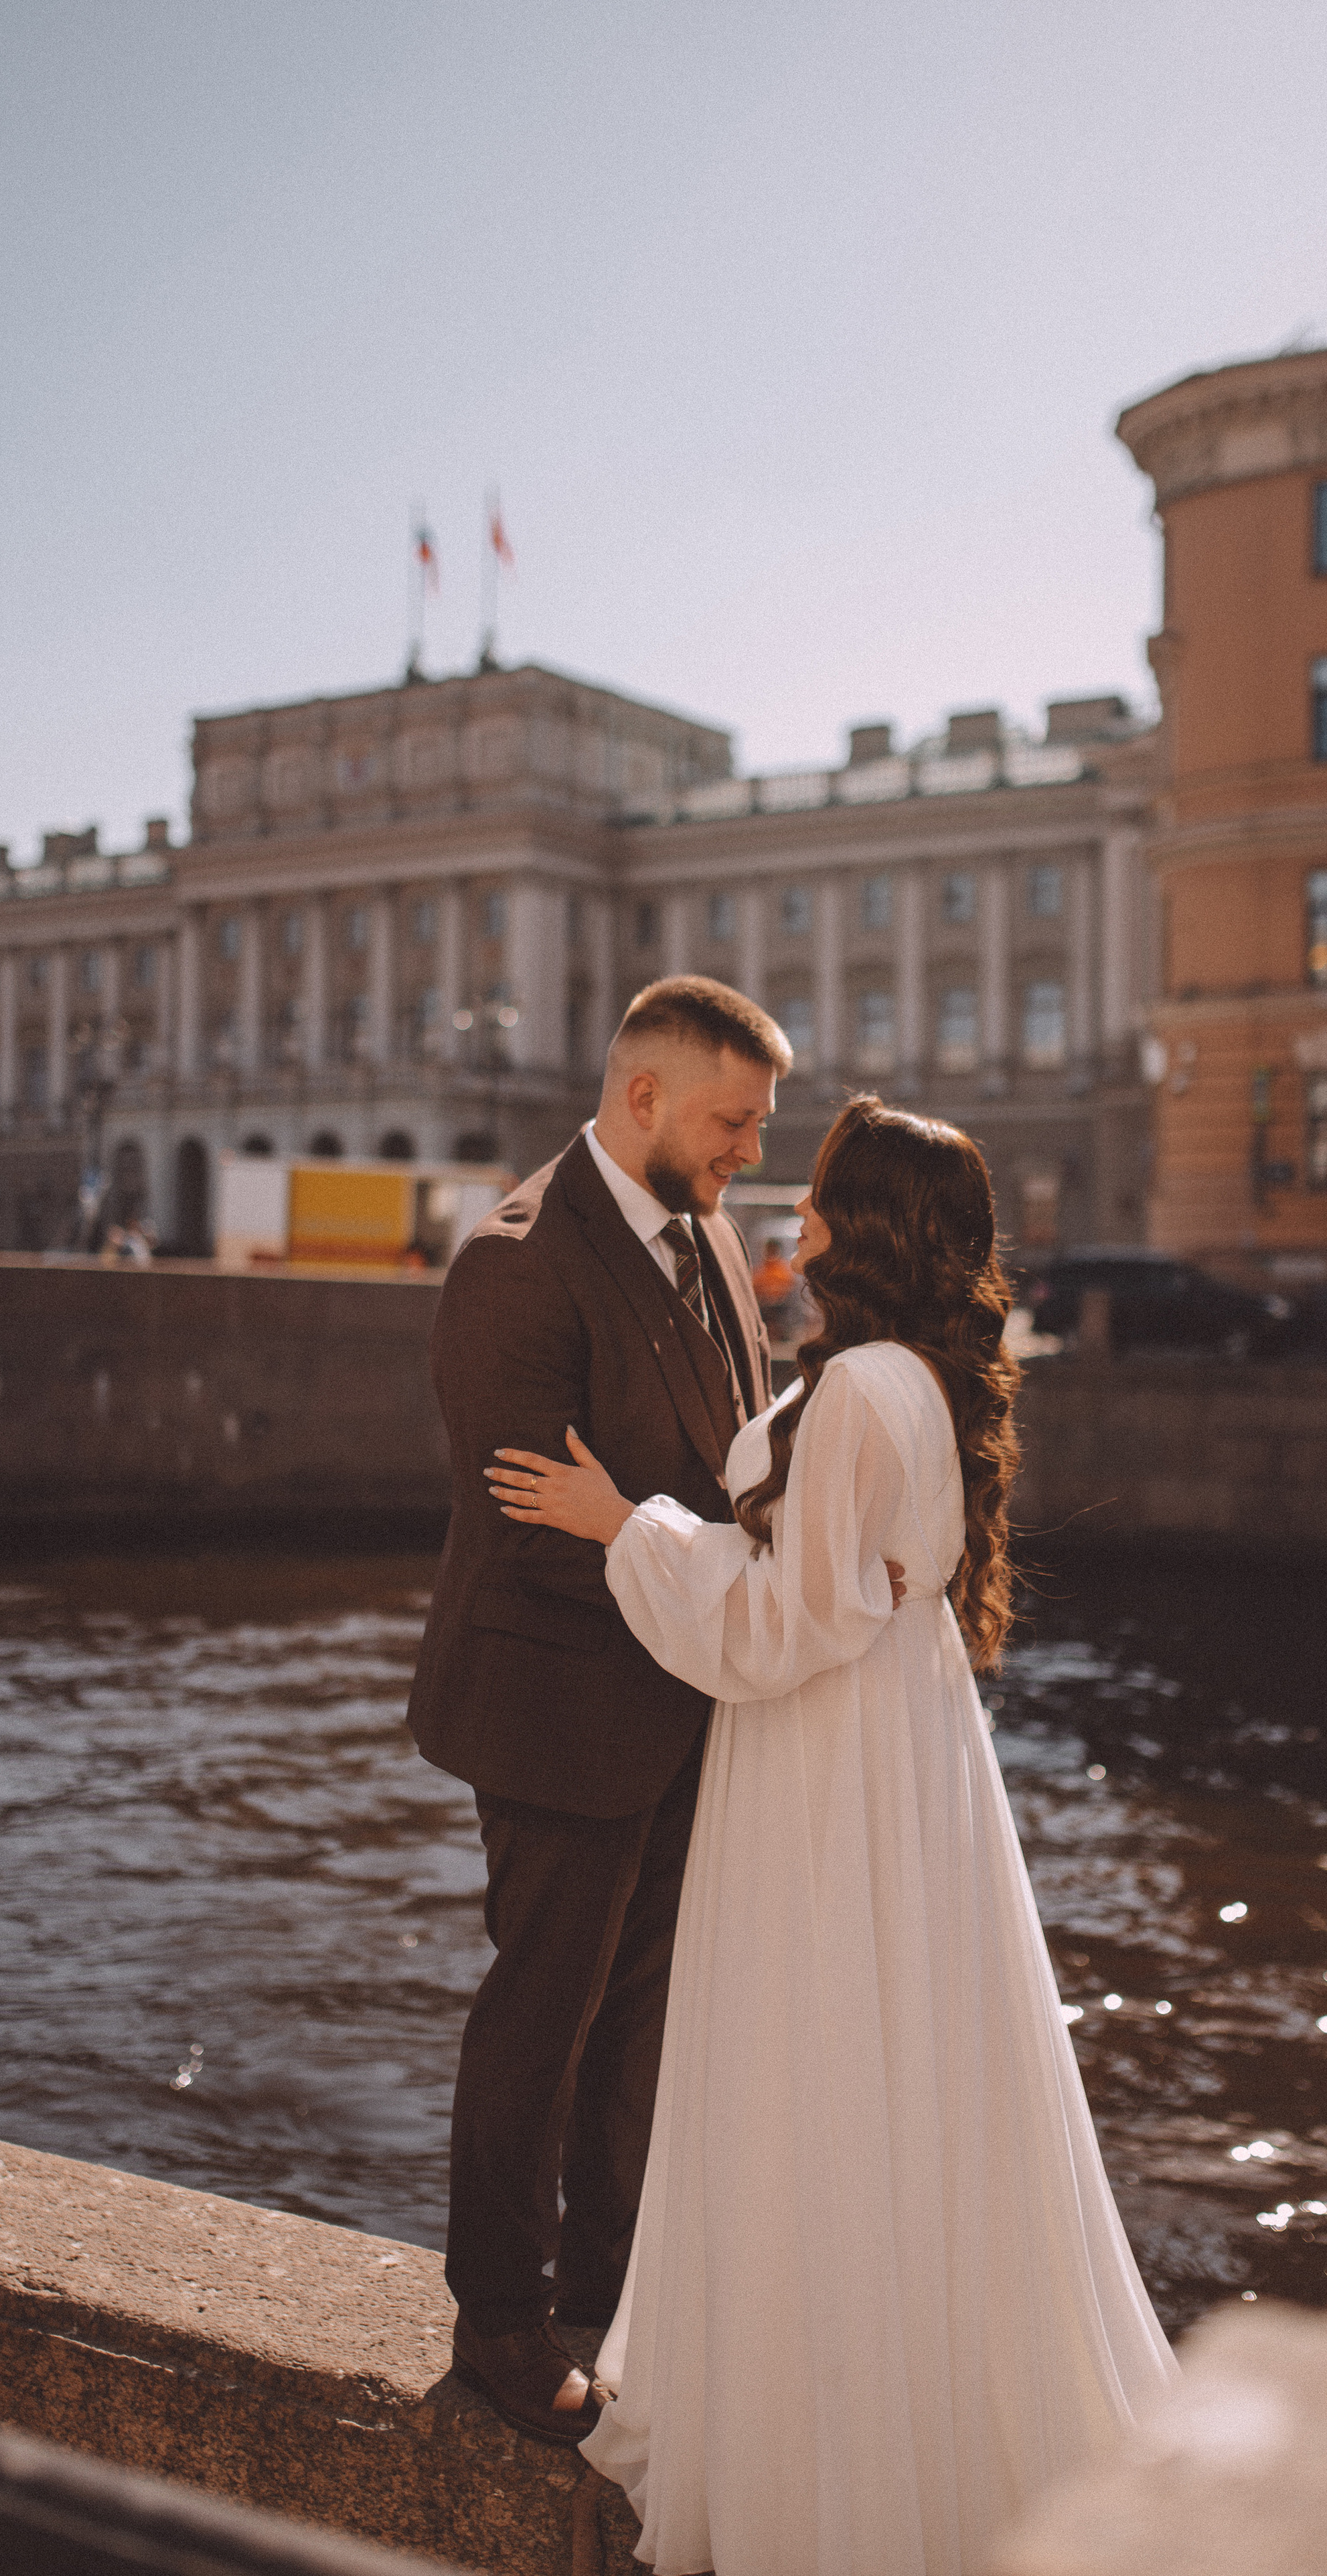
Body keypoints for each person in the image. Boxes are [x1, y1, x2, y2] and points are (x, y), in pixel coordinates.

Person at [487, 1095, 1179, 2575]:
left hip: (824, 1762)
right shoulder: (913, 1383)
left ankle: (821, 2463)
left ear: (864, 1230)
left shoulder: (864, 1390)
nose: (786, 1221)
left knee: (812, 2059)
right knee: (886, 2076)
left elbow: (784, 1627)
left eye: (813, 1203)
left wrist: (626, 1525)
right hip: (886, 1757)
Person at [407, 976, 790, 2447]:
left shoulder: (699, 1229)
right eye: (731, 1120)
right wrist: (705, 1577)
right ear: (643, 1098)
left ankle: (615, 2287)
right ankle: (502, 2317)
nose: (749, 1149)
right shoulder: (515, 1260)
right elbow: (530, 1532)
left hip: (680, 1702)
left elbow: (720, 1463)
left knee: (639, 2022)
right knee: (542, 2018)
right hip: (560, 1712)